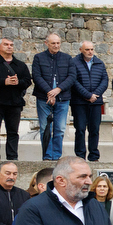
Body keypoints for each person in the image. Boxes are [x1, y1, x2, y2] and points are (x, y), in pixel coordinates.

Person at [29, 33, 74, 162]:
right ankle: (47, 156)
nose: (56, 45)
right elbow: (36, 76)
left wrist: (58, 90)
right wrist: (49, 92)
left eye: (58, 43)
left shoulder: (67, 58)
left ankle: (56, 156)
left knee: (59, 129)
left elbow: (71, 76)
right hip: (44, 98)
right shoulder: (39, 58)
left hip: (62, 98)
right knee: (45, 128)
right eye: (53, 43)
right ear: (46, 43)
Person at [69, 40, 108, 162]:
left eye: (91, 49)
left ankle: (94, 156)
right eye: (87, 49)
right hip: (79, 102)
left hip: (95, 102)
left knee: (94, 129)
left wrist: (95, 95)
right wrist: (87, 95)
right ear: (81, 50)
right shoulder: (74, 62)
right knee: (80, 129)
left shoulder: (99, 63)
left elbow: (104, 80)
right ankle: (80, 156)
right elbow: (73, 81)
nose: (90, 52)